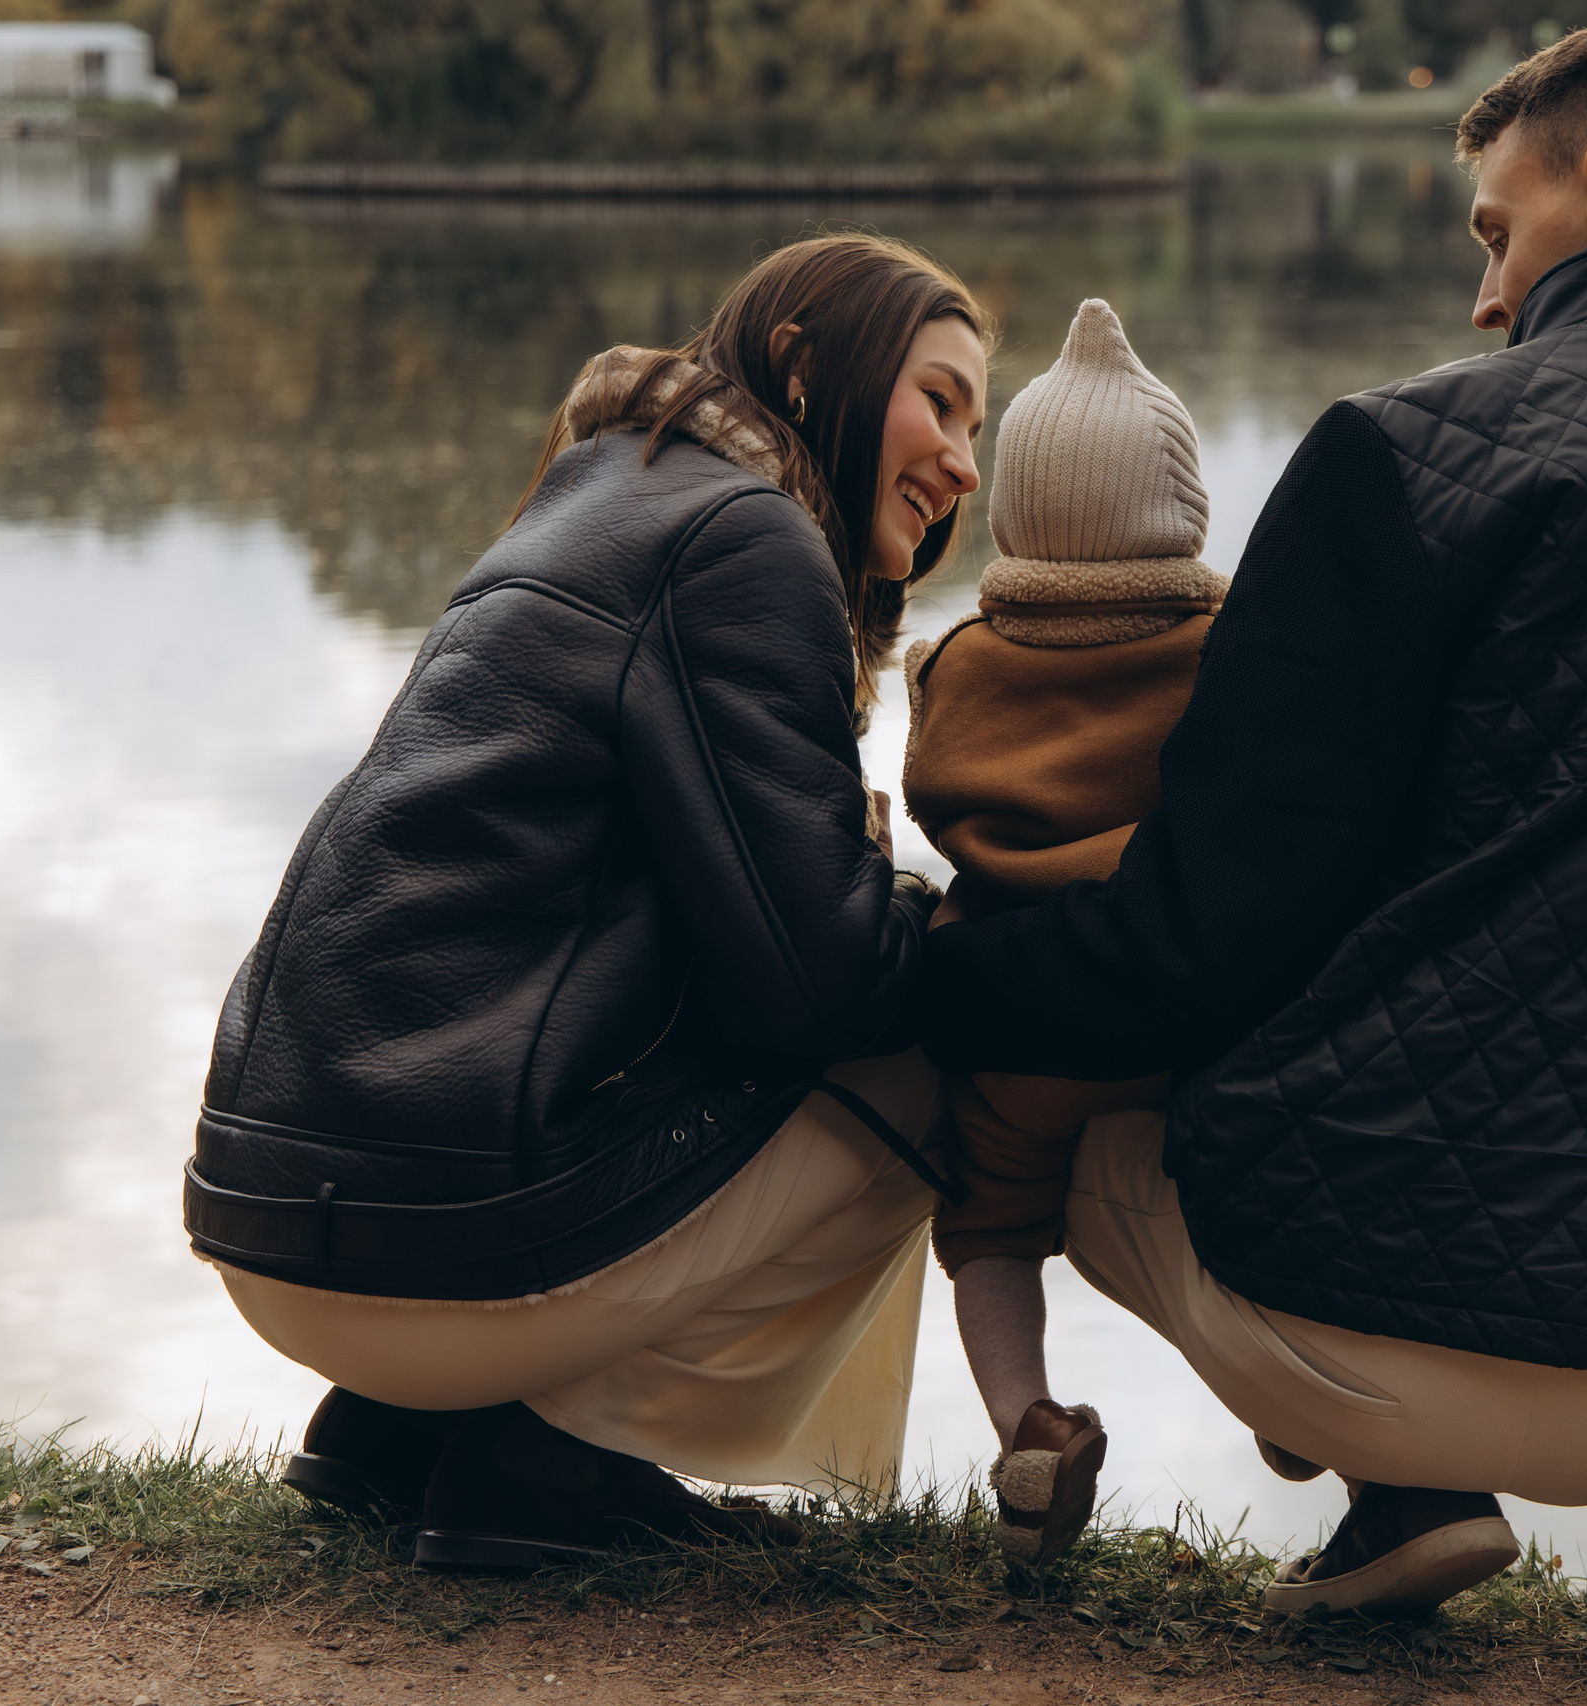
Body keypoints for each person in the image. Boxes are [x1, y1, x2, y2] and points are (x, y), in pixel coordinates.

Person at [917, 19, 1587, 1619]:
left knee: (1081, 1114)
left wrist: (918, 977)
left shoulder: (1411, 456)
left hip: (1366, 1326)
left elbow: (1197, 944)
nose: (1483, 297)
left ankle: (1410, 1491)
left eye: (1496, 235)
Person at [181, 234, 987, 1572]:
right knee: (928, 1048)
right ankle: (562, 1461)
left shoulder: (594, 493)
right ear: (802, 368)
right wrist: (939, 909)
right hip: (437, 1261)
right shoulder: (747, 539)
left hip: (278, 1225)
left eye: (977, 422)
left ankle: (400, 1431)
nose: (966, 458)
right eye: (940, 400)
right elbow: (824, 983)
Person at [901, 299, 1221, 1566]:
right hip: (1185, 1012)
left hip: (1013, 1029)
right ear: (1181, 511)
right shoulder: (1227, 647)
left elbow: (933, 799)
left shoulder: (957, 664)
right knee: (1254, 1202)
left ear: (1014, 513)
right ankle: (1338, 1438)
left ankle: (1022, 1425)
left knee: (987, 1225)